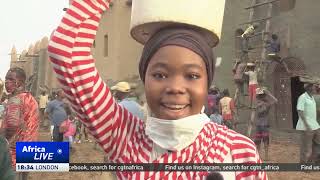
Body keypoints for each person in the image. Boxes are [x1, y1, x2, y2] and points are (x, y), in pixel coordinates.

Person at [48, 0, 267, 179]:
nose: (175, 88)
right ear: (144, 79)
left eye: (192, 76)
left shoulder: (238, 152)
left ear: (207, 83)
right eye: (160, 75)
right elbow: (65, 50)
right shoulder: (124, 137)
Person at [2, 67, 39, 179]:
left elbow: (12, 124)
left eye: (11, 79)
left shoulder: (15, 100)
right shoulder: (31, 99)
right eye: (6, 79)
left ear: (20, 82)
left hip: (13, 154)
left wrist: (2, 140)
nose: (7, 82)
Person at [296, 83, 320, 163]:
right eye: (314, 86)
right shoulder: (302, 97)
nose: (315, 88)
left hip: (315, 126)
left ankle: (313, 161)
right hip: (306, 127)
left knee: (317, 144)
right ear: (309, 88)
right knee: (306, 147)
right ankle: (303, 164)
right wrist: (307, 125)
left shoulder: (312, 97)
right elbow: (300, 111)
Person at [254, 87, 278, 161]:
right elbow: (275, 100)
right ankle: (263, 156)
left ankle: (264, 156)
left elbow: (276, 101)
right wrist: (268, 94)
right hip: (262, 124)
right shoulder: (263, 103)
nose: (259, 97)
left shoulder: (262, 103)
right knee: (262, 141)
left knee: (262, 141)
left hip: (262, 124)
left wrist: (268, 93)